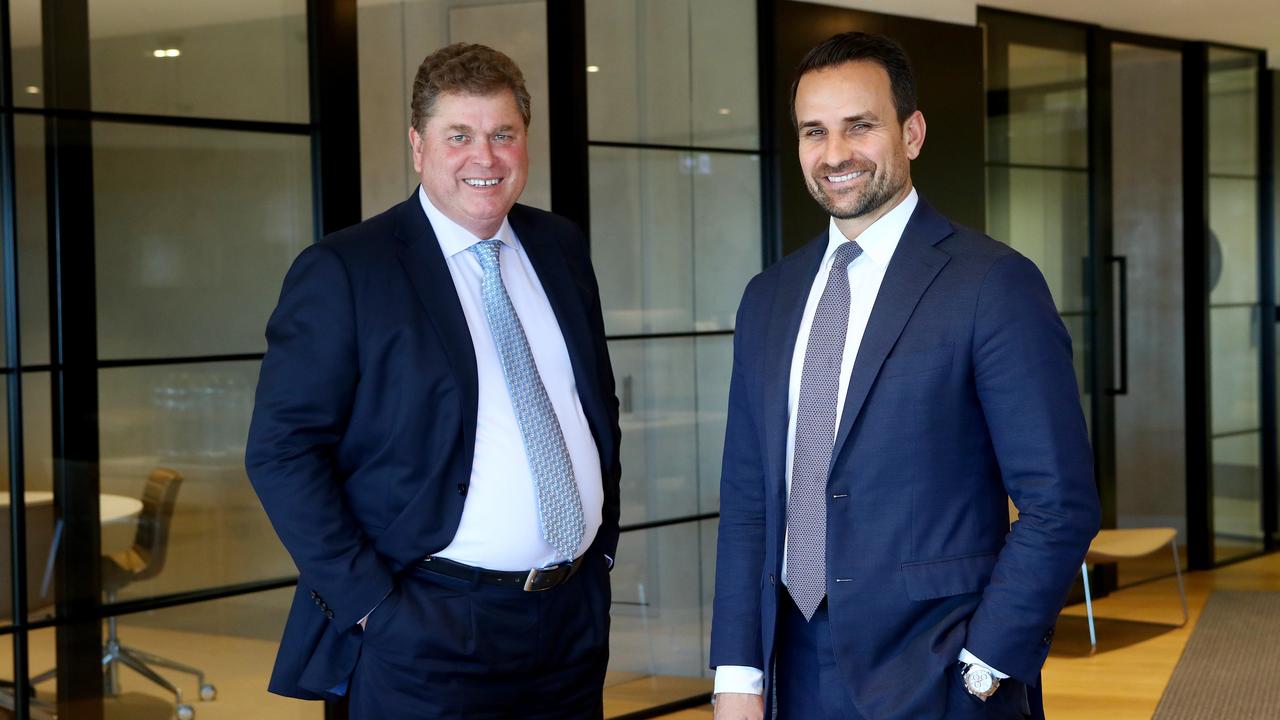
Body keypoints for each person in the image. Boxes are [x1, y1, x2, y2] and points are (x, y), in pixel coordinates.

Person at [709, 32, 1100, 720]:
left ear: (911, 133)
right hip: (792, 668)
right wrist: (738, 673)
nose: (835, 154)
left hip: (940, 671)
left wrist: (987, 667)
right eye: (814, 132)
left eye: (860, 126)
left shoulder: (993, 283)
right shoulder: (768, 297)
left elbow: (1059, 502)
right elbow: (748, 501)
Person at [246, 42, 621, 719]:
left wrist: (601, 557)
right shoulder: (347, 270)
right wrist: (371, 607)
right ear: (418, 146)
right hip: (427, 628)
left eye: (503, 134)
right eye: (460, 136)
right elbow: (282, 451)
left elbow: (592, 406)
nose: (486, 157)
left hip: (570, 621)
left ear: (524, 142)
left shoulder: (559, 247)